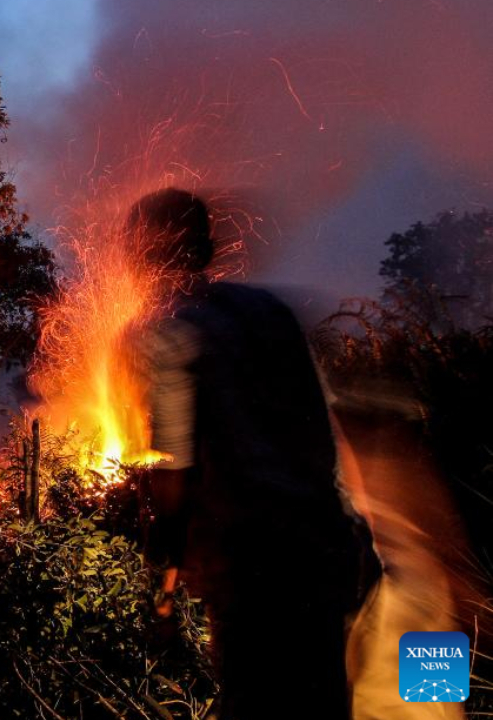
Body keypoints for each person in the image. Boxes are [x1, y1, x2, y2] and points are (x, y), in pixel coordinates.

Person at [132, 189, 367, 720]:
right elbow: (321, 430)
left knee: (254, 703)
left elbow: (175, 470)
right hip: (323, 548)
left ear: (141, 253)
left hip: (249, 567)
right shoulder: (271, 311)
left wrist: (165, 590)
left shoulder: (168, 330)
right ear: (210, 248)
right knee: (324, 703)